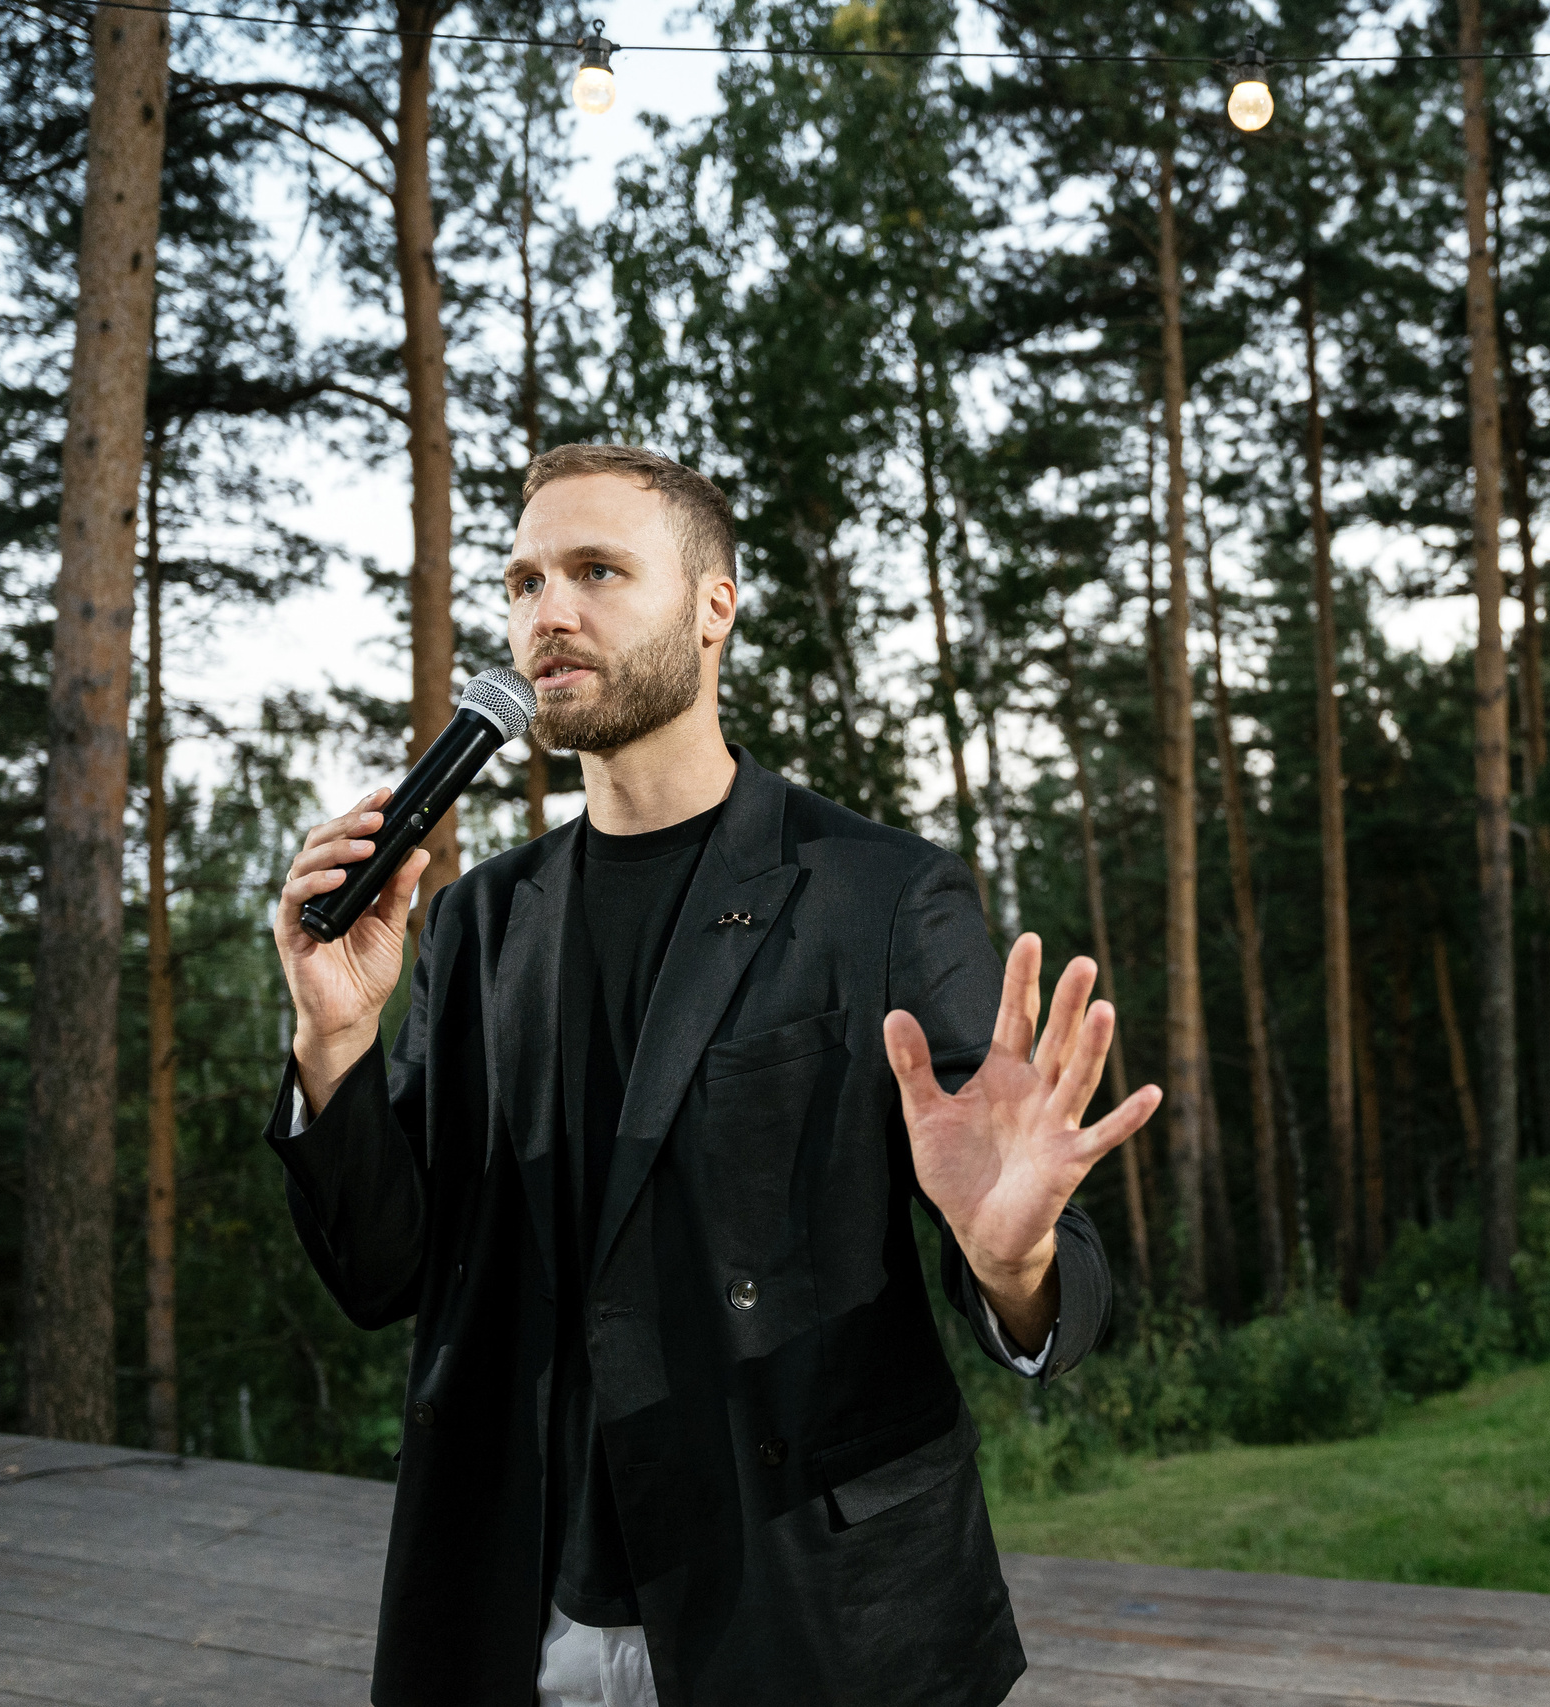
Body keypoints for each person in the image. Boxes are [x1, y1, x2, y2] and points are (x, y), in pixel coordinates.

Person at [266, 444, 1157, 1707]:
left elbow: (1044, 1280)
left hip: (805, 1614)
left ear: (712, 606)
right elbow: (381, 1272)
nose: (545, 614)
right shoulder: (475, 927)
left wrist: (1011, 1263)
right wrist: (332, 1041)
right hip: (519, 1610)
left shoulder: (878, 895)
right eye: (522, 583)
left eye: (596, 571)